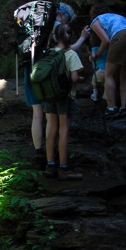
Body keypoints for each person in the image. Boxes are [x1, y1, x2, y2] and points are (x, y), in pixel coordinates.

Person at [24, 2, 89, 167]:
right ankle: (61, 164)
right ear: (62, 14)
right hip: (55, 84)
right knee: (58, 125)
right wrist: (82, 38)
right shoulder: (58, 27)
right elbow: (67, 52)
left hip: (33, 70)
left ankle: (42, 155)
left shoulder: (36, 26)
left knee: (37, 115)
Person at [43, 23, 84, 180]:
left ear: (55, 37)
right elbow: (74, 78)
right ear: (70, 37)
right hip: (64, 97)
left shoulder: (49, 52)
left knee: (51, 128)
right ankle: (64, 168)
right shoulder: (71, 54)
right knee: (64, 130)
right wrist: (80, 78)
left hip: (48, 95)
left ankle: (50, 165)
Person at [90, 4, 126, 119]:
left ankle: (111, 108)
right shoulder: (115, 16)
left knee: (109, 74)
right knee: (124, 76)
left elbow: (106, 40)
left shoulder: (96, 21)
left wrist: (98, 54)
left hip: (122, 36)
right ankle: (124, 108)